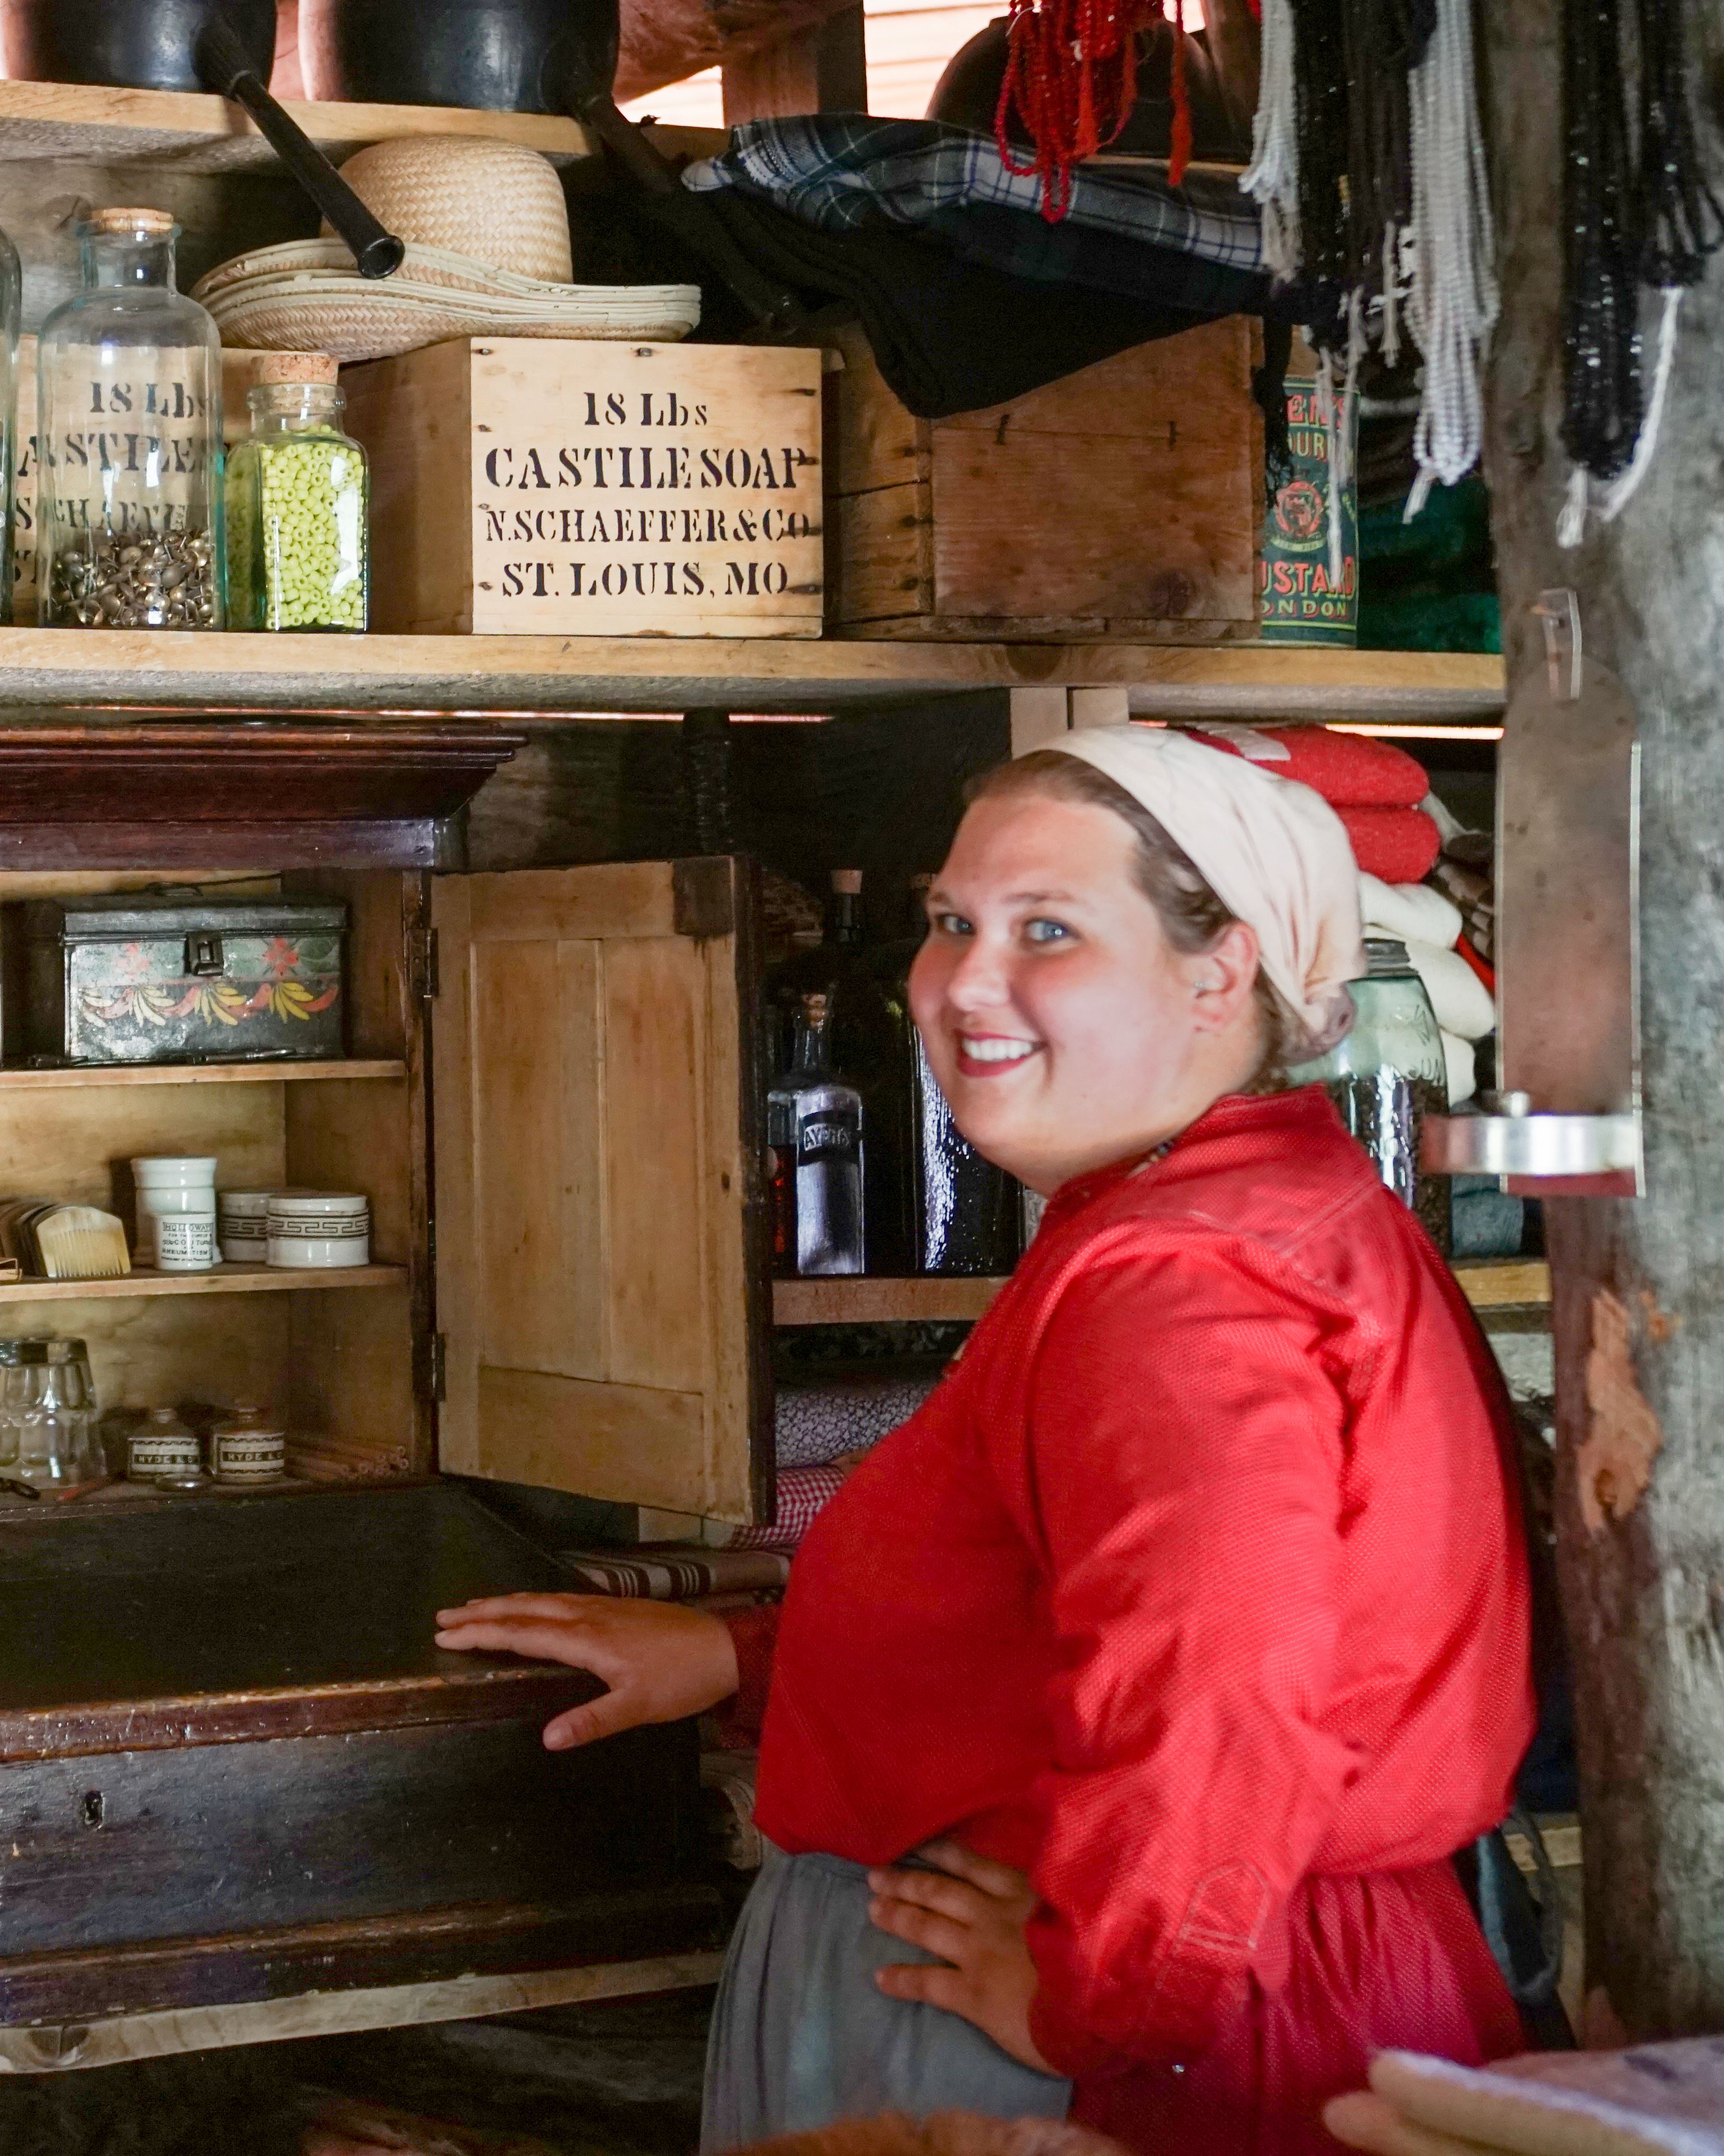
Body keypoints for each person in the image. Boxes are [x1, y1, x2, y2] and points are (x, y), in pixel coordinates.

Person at [436, 726, 1534, 2156]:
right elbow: (1108, 1609)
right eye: (952, 922)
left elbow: (1216, 1692)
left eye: (1050, 930)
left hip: (1147, 2040)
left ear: (1222, 970)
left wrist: (1103, 2004)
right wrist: (750, 1660)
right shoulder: (1254, 1206)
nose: (964, 980)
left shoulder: (1178, 1283)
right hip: (1237, 1975)